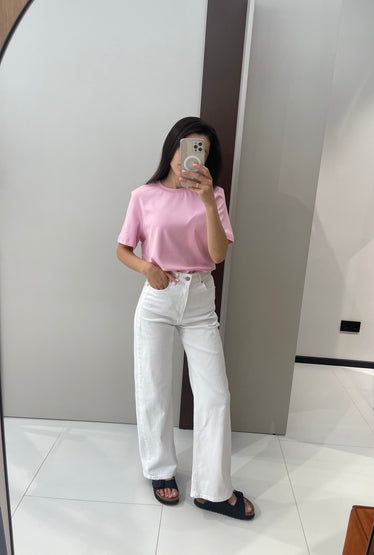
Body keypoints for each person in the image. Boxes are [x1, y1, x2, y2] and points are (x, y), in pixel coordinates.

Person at [117, 116, 254, 520]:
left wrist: (208, 201)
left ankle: (212, 490)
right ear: (172, 147)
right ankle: (160, 470)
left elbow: (218, 255)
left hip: (199, 300)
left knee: (215, 395)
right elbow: (123, 248)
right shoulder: (144, 195)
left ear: (207, 159)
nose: (190, 156)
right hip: (158, 298)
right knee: (154, 387)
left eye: (201, 150)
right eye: (186, 146)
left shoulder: (215, 196)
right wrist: (147, 268)